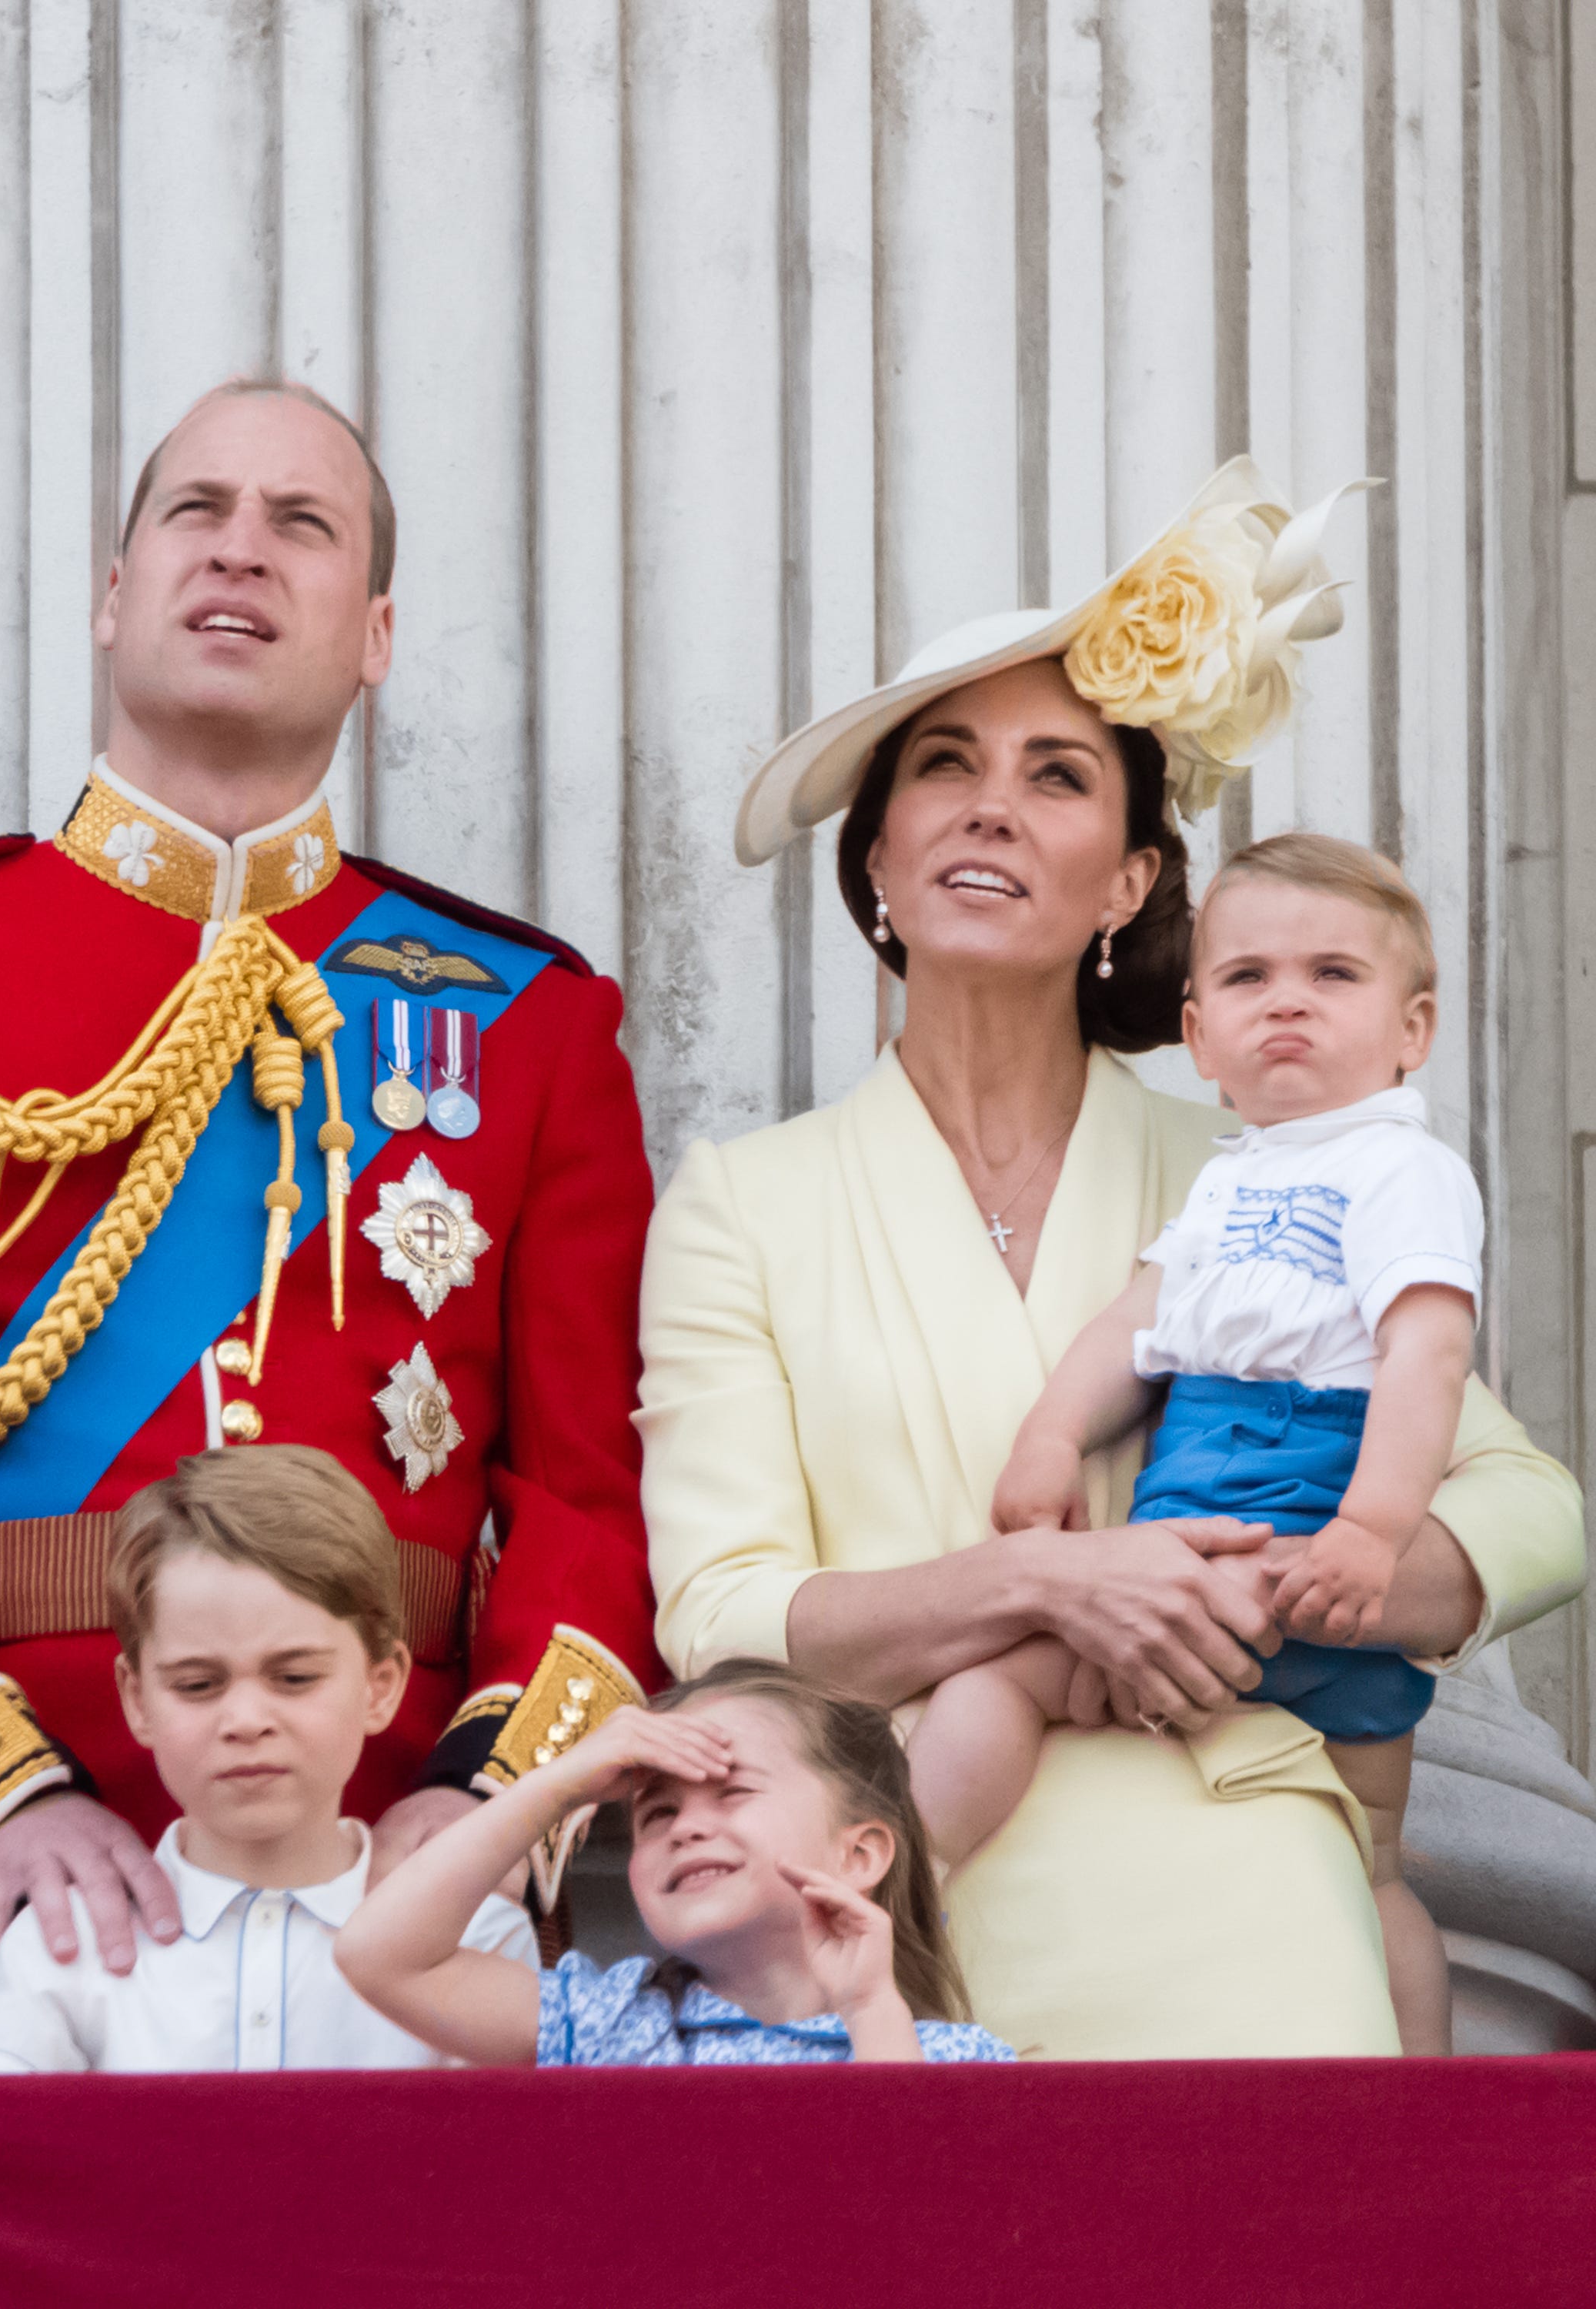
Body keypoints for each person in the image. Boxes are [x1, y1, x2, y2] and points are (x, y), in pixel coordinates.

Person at [0, 377, 663, 2068]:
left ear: (376, 634)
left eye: (305, 526)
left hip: (400, 1899)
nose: (242, 553)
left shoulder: (526, 1022)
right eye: (195, 513)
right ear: (113, 592)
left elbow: (587, 1496)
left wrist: (487, 1805)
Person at [638, 457, 1586, 2059]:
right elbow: (724, 1613)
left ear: (1134, 881)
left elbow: (1536, 1512)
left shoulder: (1267, 1170)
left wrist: (1315, 1590)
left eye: (1059, 774)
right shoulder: (745, 1199)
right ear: (878, 857)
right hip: (903, 1900)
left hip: (1242, 1850)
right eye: (944, 766)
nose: (992, 802)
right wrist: (1054, 1582)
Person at [909, 834, 1474, 2054]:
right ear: (1198, 1037)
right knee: (1365, 1858)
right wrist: (1053, 1439)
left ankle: (897, 1878)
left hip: (1292, 1496)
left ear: (1410, 1030)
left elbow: (1427, 1356)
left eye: (1332, 975)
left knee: (1005, 1675)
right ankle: (1415, 2078)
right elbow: (1135, 1322)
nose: (1286, 999)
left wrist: (1370, 1532)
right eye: (1247, 978)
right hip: (1237, 1493)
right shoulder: (1232, 1181)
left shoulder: (1401, 1170)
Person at [0, 1446, 535, 2073]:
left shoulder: (471, 1934)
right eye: (197, 1685)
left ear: (381, 1685)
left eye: (293, 1677)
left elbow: (510, 2160)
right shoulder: (65, 1940)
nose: (244, 1722)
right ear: (137, 1698)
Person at [335, 1656, 1013, 2067]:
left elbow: (926, 2219)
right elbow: (378, 1956)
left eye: (734, 1792)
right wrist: (559, 1783)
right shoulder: (607, 2026)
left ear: (859, 1854)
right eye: (656, 1812)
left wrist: (870, 2010)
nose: (686, 1828)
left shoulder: (954, 2061)